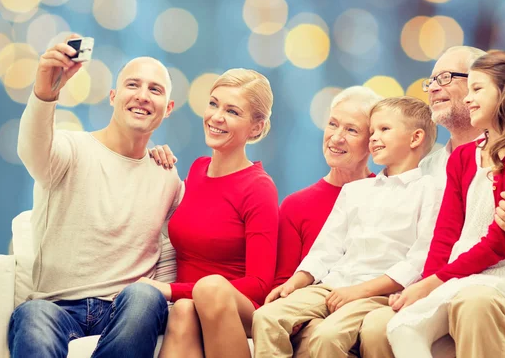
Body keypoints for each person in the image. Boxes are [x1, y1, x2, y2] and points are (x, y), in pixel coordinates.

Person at [361, 45, 505, 358]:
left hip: (500, 282)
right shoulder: (452, 162)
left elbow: (499, 244)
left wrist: (432, 284)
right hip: (454, 275)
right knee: (391, 327)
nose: (468, 97)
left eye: (474, 88)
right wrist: (425, 285)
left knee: (473, 303)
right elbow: (445, 234)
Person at [8, 36, 183, 357]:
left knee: (146, 297)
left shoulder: (167, 176)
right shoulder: (69, 149)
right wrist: (46, 93)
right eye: (133, 85)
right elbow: (31, 150)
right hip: (54, 306)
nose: (142, 96)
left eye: (155, 90)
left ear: (168, 109)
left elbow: (170, 254)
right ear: (113, 97)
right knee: (32, 316)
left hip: (126, 309)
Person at [252, 96, 442, 358]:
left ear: (415, 138)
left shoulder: (431, 190)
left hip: (377, 293)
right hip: (332, 285)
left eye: (384, 129)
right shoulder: (354, 191)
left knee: (327, 337)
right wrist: (296, 282)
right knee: (266, 318)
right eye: (372, 131)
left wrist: (358, 291)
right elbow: (326, 248)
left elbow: (419, 260)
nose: (374, 137)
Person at [142, 68, 279, 358]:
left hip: (232, 307)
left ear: (256, 128)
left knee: (208, 290)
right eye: (214, 104)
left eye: (232, 111)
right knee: (183, 311)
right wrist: (149, 157)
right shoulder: (196, 168)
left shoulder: (259, 187)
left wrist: (169, 291)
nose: (216, 117)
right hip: (187, 305)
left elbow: (258, 284)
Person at [266, 86, 381, 357]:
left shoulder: (390, 196)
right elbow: (283, 282)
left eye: (352, 130)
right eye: (332, 124)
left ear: (372, 140)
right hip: (311, 320)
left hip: (368, 314)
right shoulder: (297, 205)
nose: (336, 137)